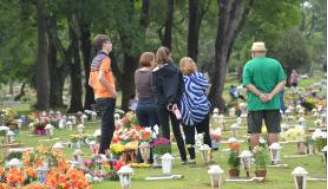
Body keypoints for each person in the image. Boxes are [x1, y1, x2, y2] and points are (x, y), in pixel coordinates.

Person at [242, 41, 286, 149]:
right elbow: (282, 81)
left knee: (254, 131)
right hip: (273, 103)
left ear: (253, 53)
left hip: (255, 103)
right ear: (264, 52)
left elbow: (247, 84)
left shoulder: (249, 64)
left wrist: (260, 94)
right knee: (273, 130)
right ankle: (274, 157)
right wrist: (271, 95)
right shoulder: (275, 63)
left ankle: (256, 157)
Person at [152, 46, 187, 163]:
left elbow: (155, 90)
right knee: (177, 130)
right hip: (175, 103)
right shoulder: (176, 70)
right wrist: (174, 101)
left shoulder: (155, 72)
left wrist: (164, 101)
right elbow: (181, 88)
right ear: (169, 55)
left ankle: (165, 158)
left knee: (164, 130)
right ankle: (183, 157)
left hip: (161, 104)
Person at [179, 57, 212, 164]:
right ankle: (208, 156)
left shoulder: (180, 79)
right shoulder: (200, 77)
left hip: (187, 111)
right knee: (205, 132)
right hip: (202, 108)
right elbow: (206, 89)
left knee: (189, 134)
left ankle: (192, 157)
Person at [88, 34, 117, 154]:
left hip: (99, 96)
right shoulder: (105, 59)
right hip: (107, 97)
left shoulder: (95, 59)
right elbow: (101, 78)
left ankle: (105, 152)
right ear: (104, 44)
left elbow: (90, 82)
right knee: (107, 128)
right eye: (110, 43)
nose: (111, 45)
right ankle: (102, 154)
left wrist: (98, 91)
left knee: (109, 126)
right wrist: (112, 92)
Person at [135, 52, 158, 127]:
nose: (155, 62)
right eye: (154, 60)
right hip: (152, 104)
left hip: (140, 105)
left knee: (143, 133)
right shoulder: (152, 73)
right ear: (151, 61)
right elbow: (154, 89)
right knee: (154, 132)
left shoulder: (137, 72)